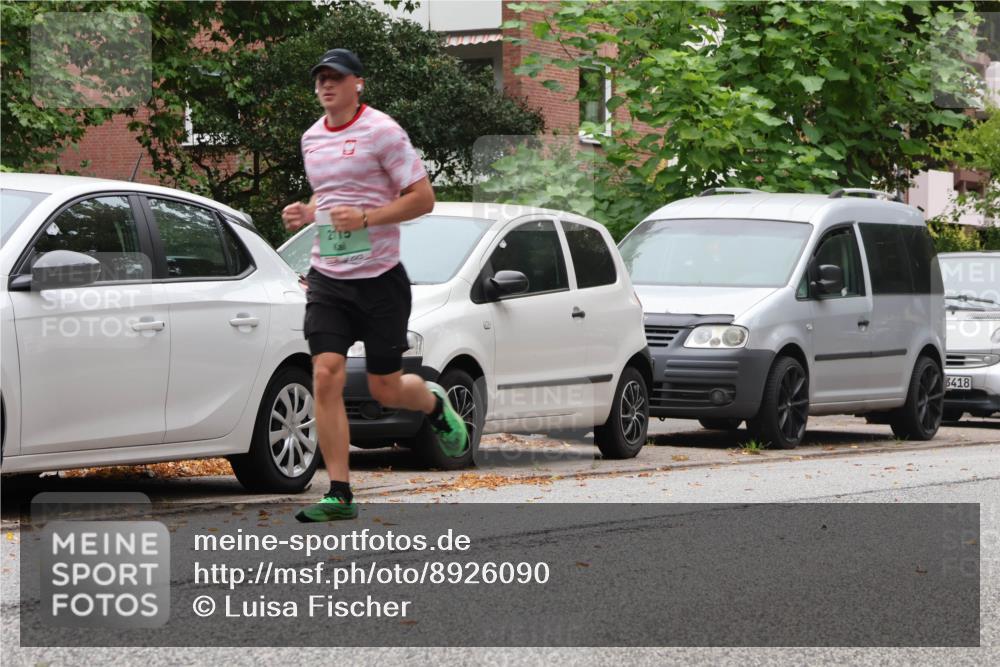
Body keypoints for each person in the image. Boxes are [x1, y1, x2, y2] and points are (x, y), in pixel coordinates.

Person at [283, 48, 468, 522]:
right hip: (329, 278)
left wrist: (366, 218)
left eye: (336, 77)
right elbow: (329, 195)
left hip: (380, 280)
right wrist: (309, 212)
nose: (326, 85)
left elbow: (423, 198)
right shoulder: (311, 138)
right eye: (320, 78)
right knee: (325, 374)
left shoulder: (382, 131)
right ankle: (339, 493)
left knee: (385, 388)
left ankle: (433, 403)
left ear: (358, 83)